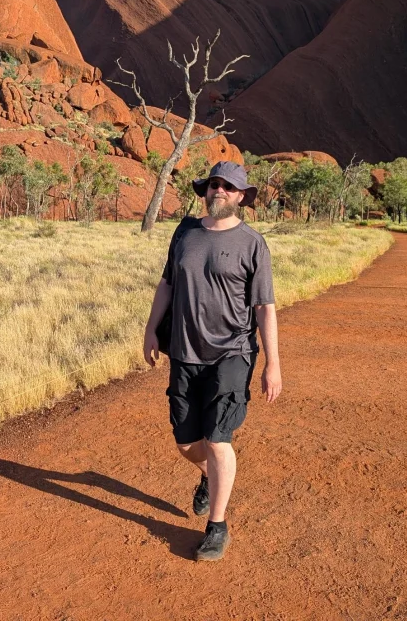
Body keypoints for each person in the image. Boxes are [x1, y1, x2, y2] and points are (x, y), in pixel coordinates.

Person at [143, 160, 282, 561]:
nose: (218, 190)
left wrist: (273, 364)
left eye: (228, 187)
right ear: (206, 192)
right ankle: (210, 477)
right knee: (186, 442)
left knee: (218, 438)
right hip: (185, 352)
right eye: (213, 184)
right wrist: (151, 329)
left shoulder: (252, 243)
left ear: (240, 197)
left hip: (232, 353)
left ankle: (217, 527)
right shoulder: (185, 232)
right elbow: (167, 283)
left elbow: (264, 308)